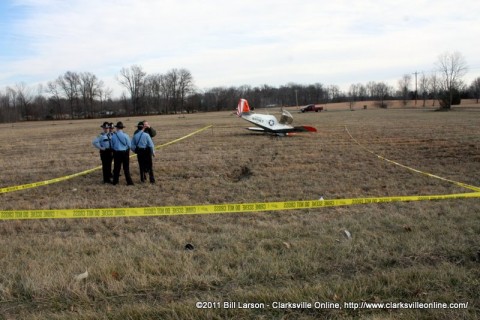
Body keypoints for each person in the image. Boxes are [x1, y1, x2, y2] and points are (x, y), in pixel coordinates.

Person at [111, 121, 134, 185]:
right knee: (126, 168)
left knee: (116, 168)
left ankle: (115, 182)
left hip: (117, 153)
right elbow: (129, 145)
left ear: (117, 128)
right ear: (122, 128)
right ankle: (129, 182)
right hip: (125, 153)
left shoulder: (113, 136)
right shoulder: (126, 135)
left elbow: (112, 145)